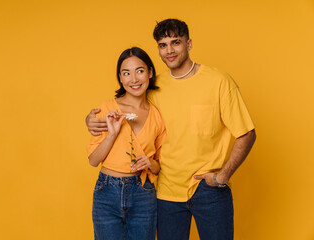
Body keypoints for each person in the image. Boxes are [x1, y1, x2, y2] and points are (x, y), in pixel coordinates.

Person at [86, 19, 256, 240]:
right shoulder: (153, 86)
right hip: (166, 191)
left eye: (175, 42)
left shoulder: (219, 81)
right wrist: (90, 119)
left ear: (189, 43)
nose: (169, 50)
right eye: (163, 45)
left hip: (207, 188)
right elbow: (126, 105)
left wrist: (222, 176)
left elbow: (247, 133)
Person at [87, 47, 166, 240]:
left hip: (143, 192)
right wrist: (112, 134)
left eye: (139, 71)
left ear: (150, 72)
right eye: (126, 73)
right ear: (120, 79)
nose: (134, 79)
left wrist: (150, 163)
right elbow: (93, 160)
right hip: (107, 191)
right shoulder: (106, 109)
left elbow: (159, 166)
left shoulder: (158, 115)